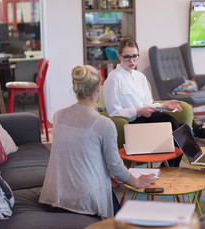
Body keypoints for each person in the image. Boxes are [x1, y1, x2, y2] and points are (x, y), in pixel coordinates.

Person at [39, 65, 156, 219]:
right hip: (83, 202)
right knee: (120, 224)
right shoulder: (104, 124)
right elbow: (115, 167)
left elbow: (80, 153)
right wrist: (137, 182)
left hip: (51, 198)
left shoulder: (58, 116)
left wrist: (106, 172)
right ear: (98, 90)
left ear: (75, 89)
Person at [103, 38, 184, 167]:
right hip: (132, 122)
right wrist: (138, 111)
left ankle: (170, 168)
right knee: (174, 125)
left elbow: (148, 104)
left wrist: (164, 105)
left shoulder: (140, 76)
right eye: (127, 57)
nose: (131, 61)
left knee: (181, 128)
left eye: (135, 56)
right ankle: (170, 169)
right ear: (119, 56)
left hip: (146, 117)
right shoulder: (113, 78)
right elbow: (113, 110)